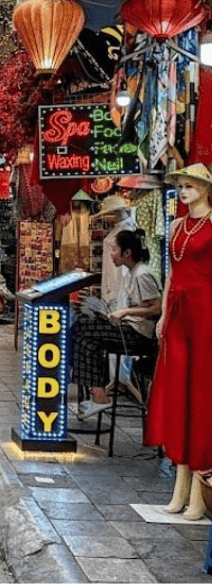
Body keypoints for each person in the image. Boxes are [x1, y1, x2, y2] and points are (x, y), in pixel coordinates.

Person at [145, 164, 212, 519]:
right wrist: (162, 316)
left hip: (205, 311)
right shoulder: (176, 226)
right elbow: (171, 273)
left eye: (190, 186)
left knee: (200, 394)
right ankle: (180, 482)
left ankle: (199, 490)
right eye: (181, 186)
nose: (184, 191)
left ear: (204, 188)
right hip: (177, 310)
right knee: (177, 391)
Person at [72, 228, 161, 418]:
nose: (111, 254)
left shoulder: (142, 274)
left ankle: (98, 395)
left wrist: (125, 312)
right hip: (127, 329)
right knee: (85, 334)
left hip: (137, 334)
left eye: (114, 250)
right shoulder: (131, 273)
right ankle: (98, 394)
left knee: (84, 331)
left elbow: (157, 308)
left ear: (127, 253)